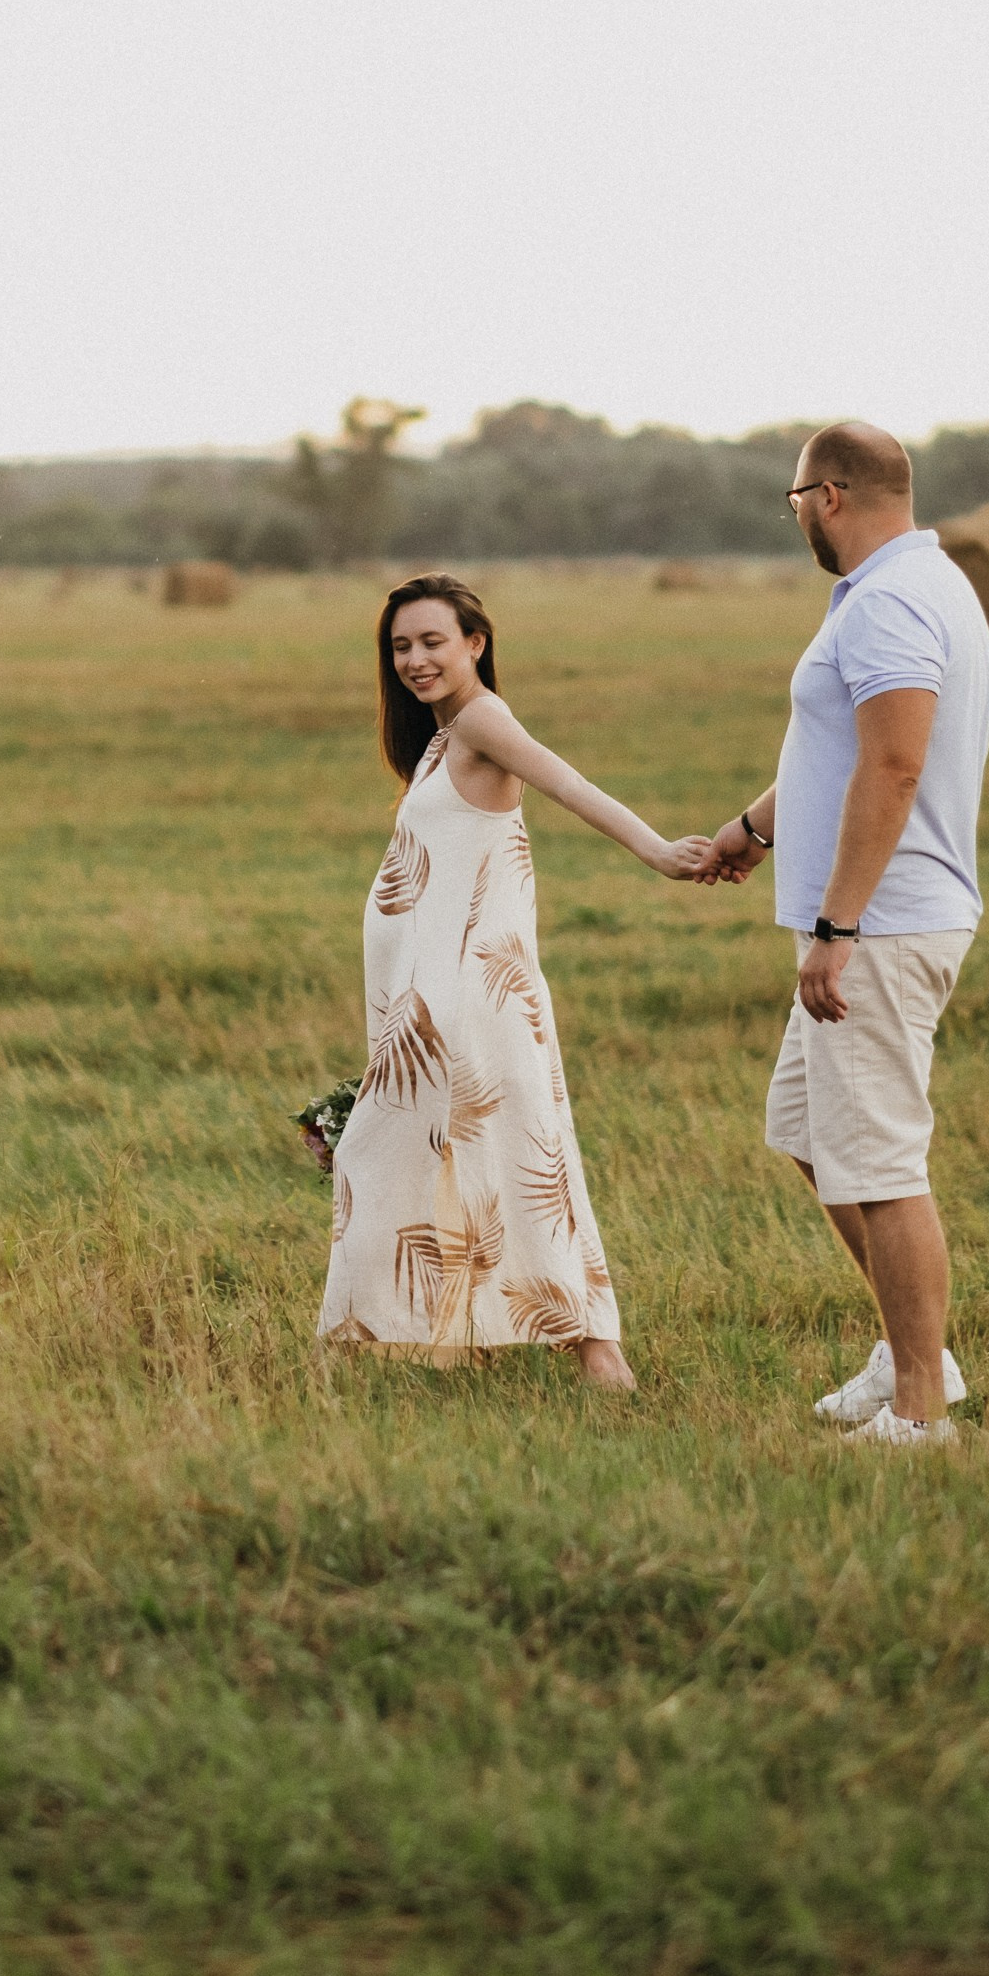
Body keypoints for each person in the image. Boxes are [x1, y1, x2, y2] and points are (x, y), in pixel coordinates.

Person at [318, 574, 711, 1390]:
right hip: (439, 1001)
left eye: (432, 641)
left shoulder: (483, 720)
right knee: (498, 1161)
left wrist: (659, 852)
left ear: (475, 644)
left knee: (417, 1157)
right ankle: (579, 1352)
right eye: (400, 646)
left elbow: (568, 784)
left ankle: (364, 1354)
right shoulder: (442, 736)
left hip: (468, 1000)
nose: (415, 659)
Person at [703, 422, 989, 1446]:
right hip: (873, 916)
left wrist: (837, 922)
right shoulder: (913, 585)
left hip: (880, 921)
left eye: (790, 502)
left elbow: (893, 765)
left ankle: (920, 1409)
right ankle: (911, 1348)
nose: (793, 520)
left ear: (826, 495)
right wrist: (749, 830)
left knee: (877, 1160)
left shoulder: (889, 601)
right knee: (807, 1132)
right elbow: (838, 754)